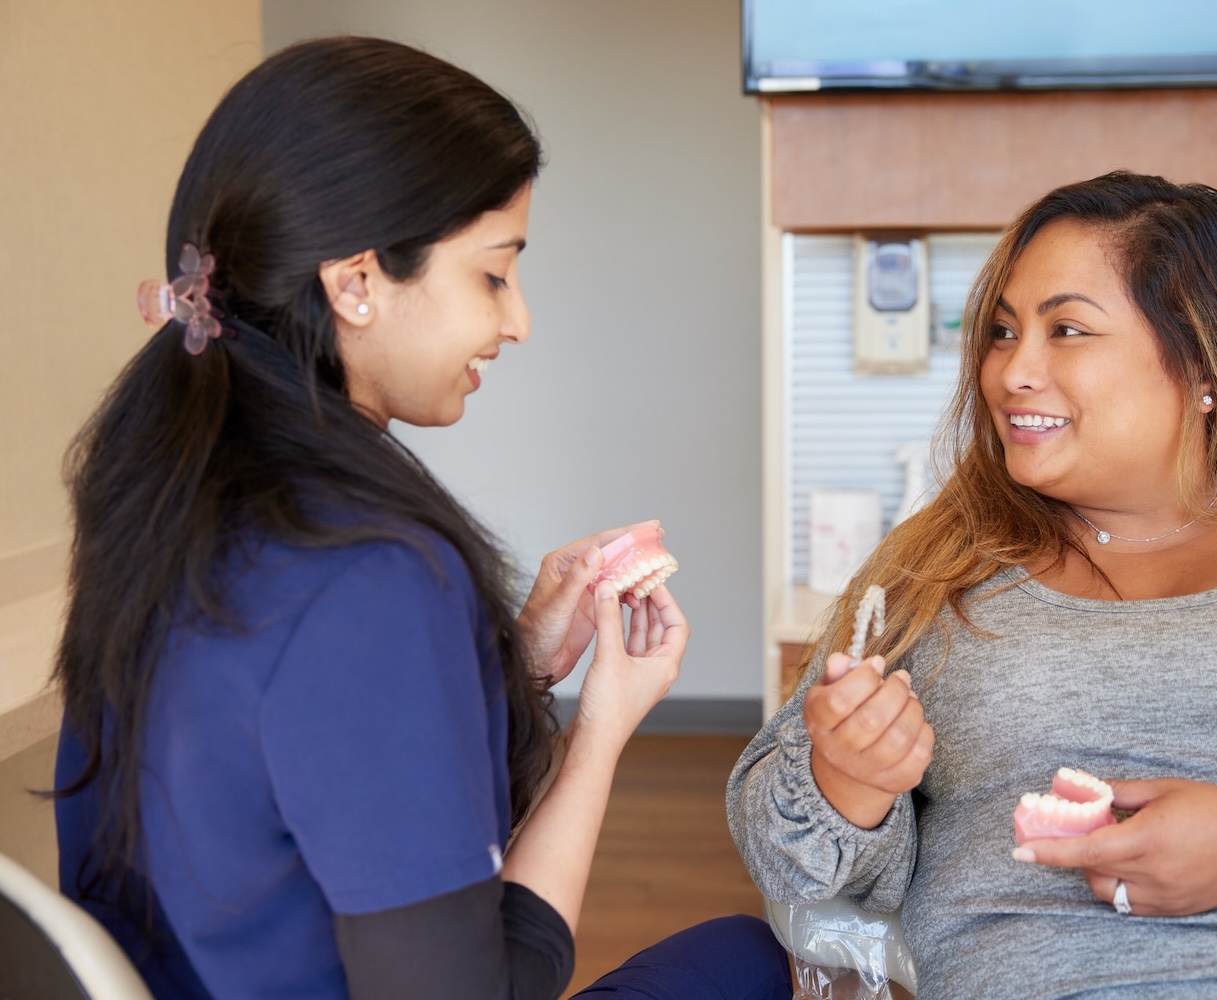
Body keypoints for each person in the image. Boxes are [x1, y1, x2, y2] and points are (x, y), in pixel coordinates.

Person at [52, 36, 791, 1000]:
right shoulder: (372, 574)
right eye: (494, 274)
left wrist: (516, 663)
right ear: (355, 282)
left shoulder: (163, 495)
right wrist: (601, 731)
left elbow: (324, 769)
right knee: (756, 961)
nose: (518, 320)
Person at [728, 171, 1217, 997]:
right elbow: (782, 851)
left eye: (1066, 329)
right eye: (1000, 331)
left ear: (1204, 362)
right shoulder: (936, 565)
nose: (1011, 373)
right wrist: (848, 780)